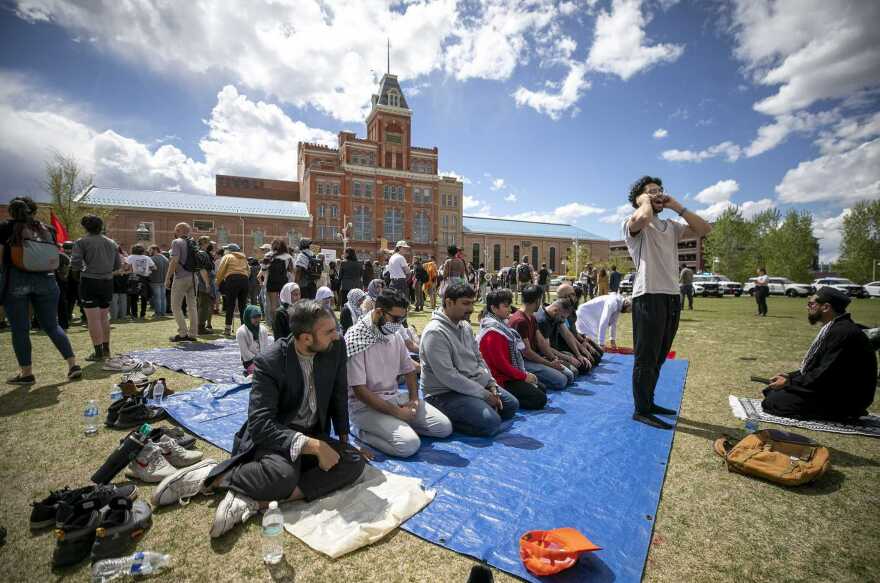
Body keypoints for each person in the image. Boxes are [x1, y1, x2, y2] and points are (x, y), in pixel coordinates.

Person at [150, 301, 367, 537]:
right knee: (283, 476)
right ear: (306, 338)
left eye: (335, 329)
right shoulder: (270, 361)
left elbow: (338, 392)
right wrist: (311, 445)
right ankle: (214, 476)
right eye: (329, 331)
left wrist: (344, 441)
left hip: (313, 431)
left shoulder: (335, 347)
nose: (337, 335)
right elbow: (261, 424)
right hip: (277, 435)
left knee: (353, 461)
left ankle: (256, 503)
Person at [623, 175, 712, 429]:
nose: (658, 194)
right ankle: (641, 409)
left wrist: (677, 206)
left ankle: (649, 402)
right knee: (646, 356)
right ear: (640, 198)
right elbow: (641, 218)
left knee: (660, 355)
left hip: (672, 297)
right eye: (652, 191)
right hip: (647, 295)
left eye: (660, 190)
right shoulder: (634, 223)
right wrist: (644, 201)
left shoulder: (672, 226)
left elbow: (705, 229)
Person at [345, 290, 452, 457]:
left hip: (395, 397)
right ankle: (358, 430)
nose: (399, 324)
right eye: (395, 319)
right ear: (379, 312)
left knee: (443, 428)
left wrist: (414, 400)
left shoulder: (394, 335)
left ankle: (397, 425)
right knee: (408, 445)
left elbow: (408, 369)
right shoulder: (356, 338)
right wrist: (397, 413)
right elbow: (360, 391)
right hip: (365, 407)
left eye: (402, 319)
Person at [420, 283, 519, 436]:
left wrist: (490, 383)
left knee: (512, 405)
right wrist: (484, 395)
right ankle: (448, 415)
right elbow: (449, 377)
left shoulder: (464, 325)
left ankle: (475, 409)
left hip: (472, 384)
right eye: (465, 303)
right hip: (444, 393)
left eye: (472, 303)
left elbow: (479, 358)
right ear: (448, 302)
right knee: (491, 423)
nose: (471, 309)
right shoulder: (435, 333)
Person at [762, 288, 876, 420]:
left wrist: (790, 383)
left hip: (845, 398)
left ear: (826, 307)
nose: (807, 307)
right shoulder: (835, 327)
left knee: (773, 402)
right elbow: (817, 367)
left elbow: (825, 373)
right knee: (771, 391)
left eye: (811, 304)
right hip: (833, 387)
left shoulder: (843, 332)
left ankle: (843, 414)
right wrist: (789, 376)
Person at [1, 197, 81, 384]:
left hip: (16, 279)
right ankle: (72, 365)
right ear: (34, 211)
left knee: (20, 329)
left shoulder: (5, 227)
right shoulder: (48, 229)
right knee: (52, 325)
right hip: (46, 280)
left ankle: (26, 373)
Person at [478, 289, 547, 410]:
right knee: (539, 399)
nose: (509, 309)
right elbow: (501, 365)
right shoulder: (492, 332)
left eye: (509, 305)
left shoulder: (501, 325)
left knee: (541, 388)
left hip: (507, 375)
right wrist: (523, 376)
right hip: (499, 379)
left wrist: (523, 374)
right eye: (505, 306)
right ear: (494, 308)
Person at [509, 285, 573, 390]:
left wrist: (554, 358)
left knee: (569, 375)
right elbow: (527, 352)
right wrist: (550, 364)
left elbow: (541, 342)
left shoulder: (532, 318)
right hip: (523, 362)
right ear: (537, 300)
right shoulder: (520, 321)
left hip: (533, 357)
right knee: (562, 380)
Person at [166, 223, 206, 342]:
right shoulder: (193, 243)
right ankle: (193, 334)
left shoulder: (176, 242)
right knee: (192, 307)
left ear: (178, 230)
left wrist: (168, 277)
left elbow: (174, 261)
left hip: (181, 277)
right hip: (194, 277)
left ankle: (183, 333)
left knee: (175, 306)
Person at [535, 299, 591, 376]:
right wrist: (567, 358)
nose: (564, 320)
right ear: (555, 311)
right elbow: (546, 349)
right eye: (562, 317)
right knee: (574, 372)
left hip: (556, 352)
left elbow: (567, 335)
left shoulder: (556, 316)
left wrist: (579, 355)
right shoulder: (543, 321)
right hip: (546, 355)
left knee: (584, 365)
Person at [216, 243, 251, 336]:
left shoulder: (227, 256)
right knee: (243, 306)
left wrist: (217, 282)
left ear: (230, 250)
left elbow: (221, 270)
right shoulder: (244, 258)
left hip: (232, 280)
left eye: (227, 249)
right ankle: (245, 328)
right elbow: (248, 271)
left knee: (230, 305)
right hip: (244, 280)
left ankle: (227, 329)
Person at [237, 305, 270, 375]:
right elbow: (245, 352)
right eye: (254, 317)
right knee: (261, 373)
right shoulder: (241, 331)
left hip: (263, 359)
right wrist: (258, 360)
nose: (257, 319)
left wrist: (264, 359)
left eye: (259, 316)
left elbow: (266, 348)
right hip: (249, 360)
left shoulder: (263, 329)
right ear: (248, 317)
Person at [126, 244, 155, 320]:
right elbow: (154, 267)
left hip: (134, 278)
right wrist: (148, 271)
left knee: (134, 298)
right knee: (144, 298)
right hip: (144, 279)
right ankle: (142, 315)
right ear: (142, 250)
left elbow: (126, 267)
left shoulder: (131, 257)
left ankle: (134, 315)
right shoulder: (147, 258)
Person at [196, 238, 217, 334]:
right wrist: (207, 283)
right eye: (209, 243)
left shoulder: (201, 253)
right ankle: (200, 327)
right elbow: (203, 269)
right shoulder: (202, 253)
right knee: (204, 306)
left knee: (203, 305)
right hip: (204, 283)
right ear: (205, 243)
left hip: (203, 282)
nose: (210, 245)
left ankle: (199, 326)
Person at [147, 245, 169, 318]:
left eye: (150, 250)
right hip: (164, 280)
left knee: (157, 297)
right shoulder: (165, 258)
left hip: (155, 280)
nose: (149, 251)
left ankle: (158, 313)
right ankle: (163, 313)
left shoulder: (151, 258)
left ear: (155, 250)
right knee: (163, 297)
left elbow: (149, 269)